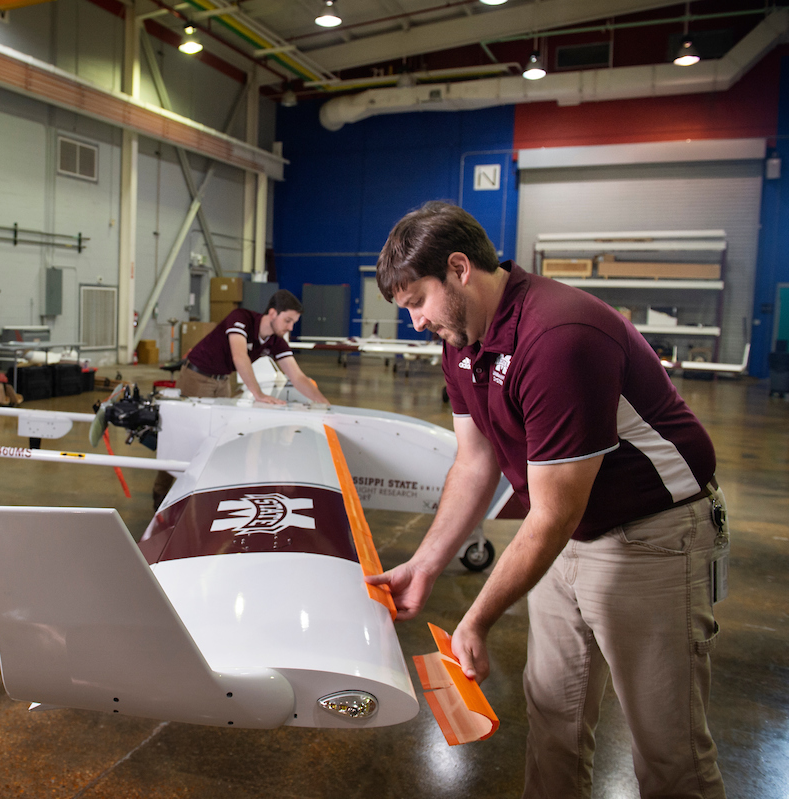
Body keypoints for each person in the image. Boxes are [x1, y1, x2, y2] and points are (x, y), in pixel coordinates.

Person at [366, 201, 727, 799]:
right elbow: (475, 462)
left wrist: (476, 617)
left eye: (417, 303)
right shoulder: (462, 339)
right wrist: (426, 562)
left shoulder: (558, 336)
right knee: (553, 720)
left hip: (656, 536)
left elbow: (555, 511)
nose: (416, 323)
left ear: (459, 268)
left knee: (669, 753)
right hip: (570, 536)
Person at [151, 289, 330, 508]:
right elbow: (239, 355)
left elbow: (298, 376)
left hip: (222, 381)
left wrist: (324, 404)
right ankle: (160, 494)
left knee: (220, 438)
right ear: (272, 313)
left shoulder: (276, 341)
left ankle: (201, 494)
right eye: (288, 320)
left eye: (294, 322)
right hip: (197, 376)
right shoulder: (241, 319)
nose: (290, 327)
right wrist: (259, 394)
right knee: (183, 438)